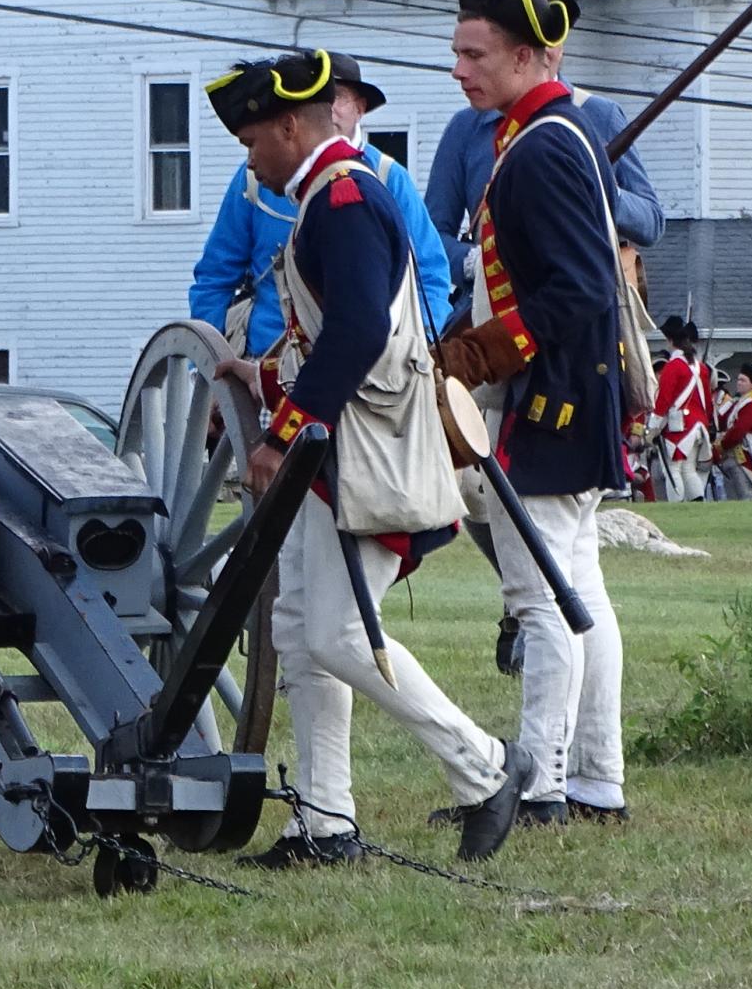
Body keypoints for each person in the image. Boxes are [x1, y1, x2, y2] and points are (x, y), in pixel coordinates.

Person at [207, 50, 530, 869]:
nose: (249, 161)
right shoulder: (330, 195)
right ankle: (324, 822)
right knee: (299, 628)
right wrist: (266, 374)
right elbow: (327, 332)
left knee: (340, 635)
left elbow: (359, 333)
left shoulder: (344, 200)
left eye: (253, 141)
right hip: (342, 448)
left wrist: (281, 434)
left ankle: (484, 768)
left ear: (289, 126)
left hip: (366, 451)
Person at [433, 0, 631, 826]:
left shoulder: (545, 145)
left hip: (547, 402)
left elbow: (583, 288)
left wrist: (481, 352)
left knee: (538, 596)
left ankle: (542, 784)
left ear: (524, 56)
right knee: (578, 591)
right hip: (565, 399)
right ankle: (596, 779)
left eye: (474, 52)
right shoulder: (540, 133)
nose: (459, 68)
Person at [421, 0, 666, 327]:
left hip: (574, 313)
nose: (460, 70)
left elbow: (651, 222)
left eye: (474, 55)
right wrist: (473, 263)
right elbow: (432, 233)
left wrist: (596, 189)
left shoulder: (599, 115)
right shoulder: (464, 129)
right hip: (486, 306)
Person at [189, 54, 452, 350]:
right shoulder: (254, 179)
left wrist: (412, 349)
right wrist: (212, 366)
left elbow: (430, 275)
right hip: (265, 354)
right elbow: (216, 274)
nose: (329, 109)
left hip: (356, 364)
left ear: (360, 108)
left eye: (337, 97)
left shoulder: (387, 178)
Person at [649, 316, 711, 502]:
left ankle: (676, 507)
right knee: (688, 469)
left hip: (681, 426)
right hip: (699, 424)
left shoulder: (673, 366)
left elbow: (664, 400)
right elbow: (707, 401)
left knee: (673, 469)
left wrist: (653, 427)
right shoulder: (701, 367)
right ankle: (697, 505)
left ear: (670, 340)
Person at [712, 368, 752, 503]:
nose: (739, 383)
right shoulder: (738, 402)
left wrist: (720, 447)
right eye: (738, 379)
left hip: (744, 459)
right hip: (731, 458)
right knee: (733, 500)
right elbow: (719, 421)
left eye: (743, 380)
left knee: (746, 498)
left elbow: (739, 431)